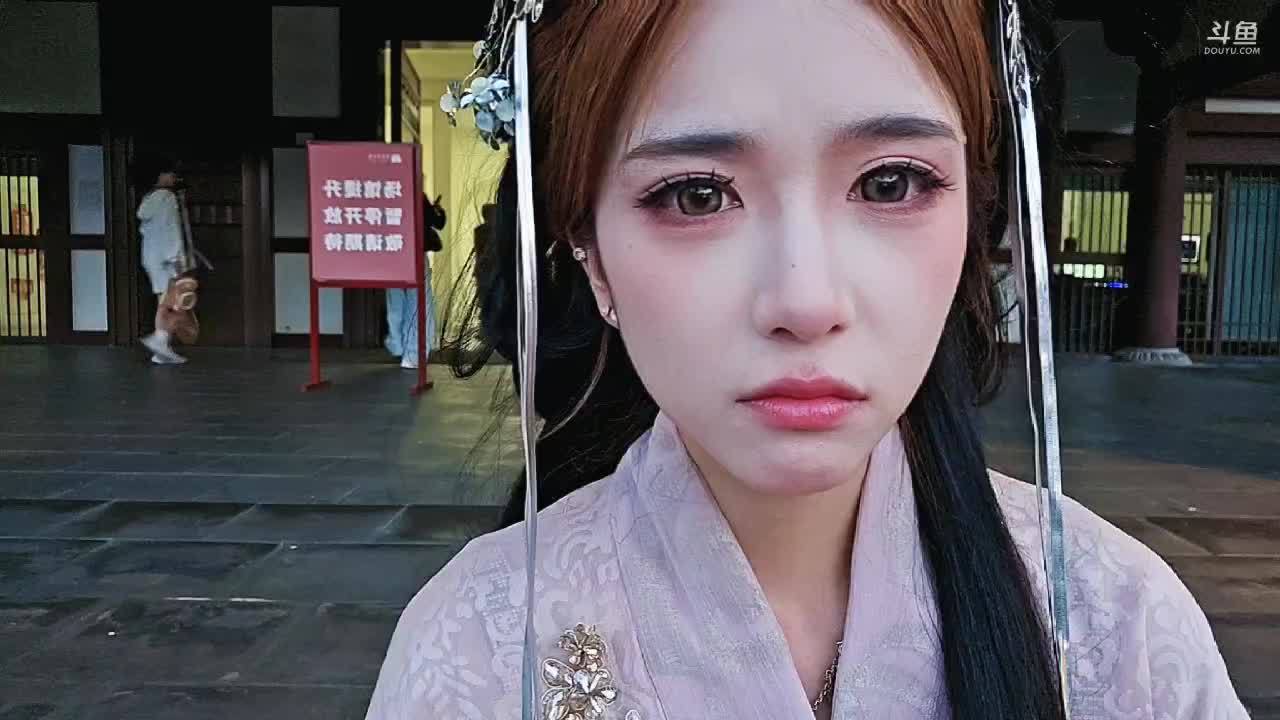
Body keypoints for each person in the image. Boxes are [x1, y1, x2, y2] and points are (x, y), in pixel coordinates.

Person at [368, 2, 1247, 718]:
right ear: (589, 252)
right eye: (696, 194)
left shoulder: (1115, 620)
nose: (806, 300)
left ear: (975, 216)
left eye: (892, 182)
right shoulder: (478, 647)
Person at [384, 194, 446, 372]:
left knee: (395, 303)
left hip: (391, 250)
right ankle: (412, 353)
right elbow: (437, 222)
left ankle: (397, 344)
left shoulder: (384, 192)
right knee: (418, 304)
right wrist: (437, 210)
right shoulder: (416, 193)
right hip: (415, 252)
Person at [137, 162, 188, 365]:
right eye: (172, 175)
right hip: (167, 258)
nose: (174, 179)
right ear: (163, 176)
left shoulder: (148, 199)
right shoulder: (168, 198)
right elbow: (171, 229)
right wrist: (176, 257)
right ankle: (159, 340)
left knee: (164, 299)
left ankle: (161, 350)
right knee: (172, 302)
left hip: (151, 256)